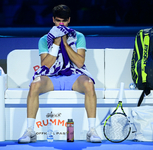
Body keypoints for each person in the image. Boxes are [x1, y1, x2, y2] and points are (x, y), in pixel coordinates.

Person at [18, 4, 102, 143]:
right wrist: (56, 44)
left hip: (74, 76)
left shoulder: (79, 36)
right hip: (52, 77)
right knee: (34, 85)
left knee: (89, 84)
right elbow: (45, 65)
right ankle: (30, 131)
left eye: (64, 21)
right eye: (58, 21)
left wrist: (65, 43)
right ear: (53, 20)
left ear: (69, 20)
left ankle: (92, 130)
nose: (61, 24)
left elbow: (80, 63)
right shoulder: (44, 39)